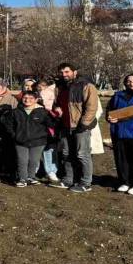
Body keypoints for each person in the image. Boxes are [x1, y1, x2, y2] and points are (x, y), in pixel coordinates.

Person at [49, 62, 99, 193]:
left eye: (67, 72)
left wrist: (84, 124)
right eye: (61, 72)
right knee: (66, 154)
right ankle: (68, 179)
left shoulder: (86, 86)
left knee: (82, 154)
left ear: (74, 72)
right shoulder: (60, 87)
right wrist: (56, 108)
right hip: (64, 125)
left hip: (80, 126)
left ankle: (86, 182)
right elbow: (56, 103)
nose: (64, 74)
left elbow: (92, 107)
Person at [5, 90, 54, 187]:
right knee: (22, 160)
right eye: (25, 98)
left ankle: (31, 177)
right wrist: (14, 135)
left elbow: (51, 124)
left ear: (36, 100)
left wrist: (54, 116)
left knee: (33, 160)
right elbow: (9, 125)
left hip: (38, 141)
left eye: (31, 98)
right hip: (20, 141)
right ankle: (22, 179)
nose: (27, 100)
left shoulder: (42, 112)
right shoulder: (16, 112)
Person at [35, 78, 60, 183]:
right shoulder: (35, 97)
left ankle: (51, 171)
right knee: (36, 149)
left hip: (51, 124)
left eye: (43, 86)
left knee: (49, 148)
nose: (41, 89)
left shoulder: (53, 94)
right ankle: (34, 170)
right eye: (39, 87)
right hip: (37, 125)